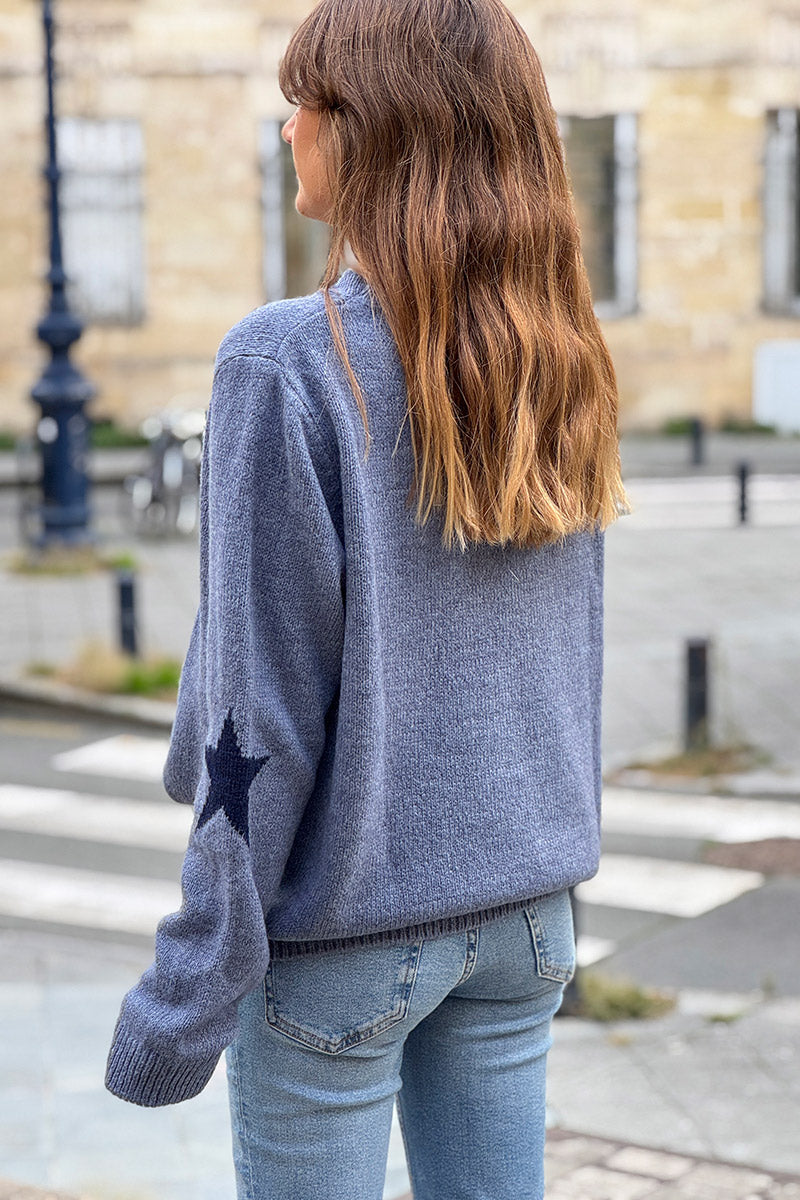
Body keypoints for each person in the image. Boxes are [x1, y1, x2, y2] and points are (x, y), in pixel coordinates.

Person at [105, 1, 629, 1197]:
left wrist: (181, 1001)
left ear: (378, 132)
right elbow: (565, 656)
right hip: (527, 915)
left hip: (349, 935)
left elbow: (261, 721)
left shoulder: (282, 363)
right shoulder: (555, 357)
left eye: (310, 101)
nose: (287, 128)